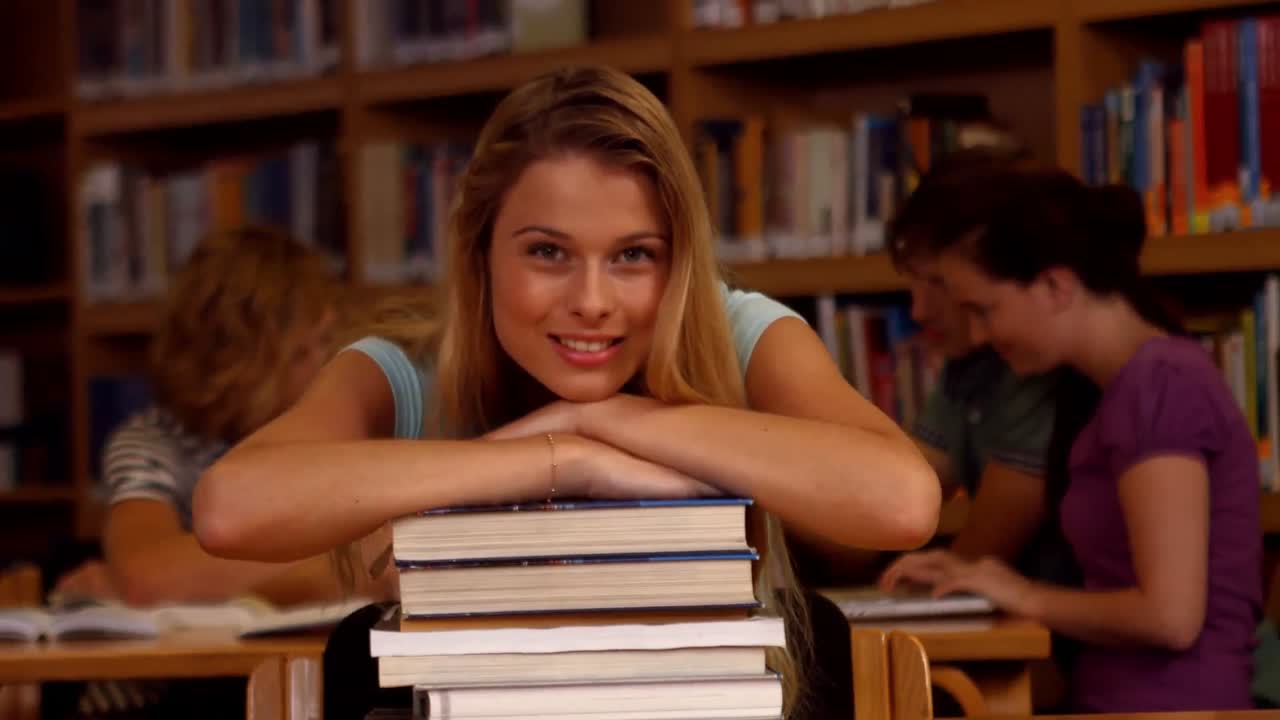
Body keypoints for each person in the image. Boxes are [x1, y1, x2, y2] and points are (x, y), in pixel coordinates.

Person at [193, 65, 940, 718]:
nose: (591, 301)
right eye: (548, 252)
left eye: (634, 256)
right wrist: (559, 456)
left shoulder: (741, 332)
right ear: (478, 250)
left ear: (679, 260)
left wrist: (606, 414)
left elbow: (902, 502)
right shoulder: (404, 368)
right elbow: (230, 509)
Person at [882, 165, 1262, 712]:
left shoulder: (1161, 386)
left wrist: (1018, 591)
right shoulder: (1120, 389)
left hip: (1171, 705)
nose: (982, 335)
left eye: (985, 310)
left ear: (1057, 287)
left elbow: (1171, 617)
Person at [55, 226, 366, 608]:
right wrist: (347, 561)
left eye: (326, 340)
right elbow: (149, 576)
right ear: (233, 363)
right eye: (299, 354)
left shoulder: (345, 426)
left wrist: (200, 580)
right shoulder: (154, 442)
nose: (328, 364)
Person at [874, 149, 1077, 590]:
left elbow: (976, 558)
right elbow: (901, 494)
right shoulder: (969, 366)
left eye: (938, 284)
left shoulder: (1037, 365)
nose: (918, 310)